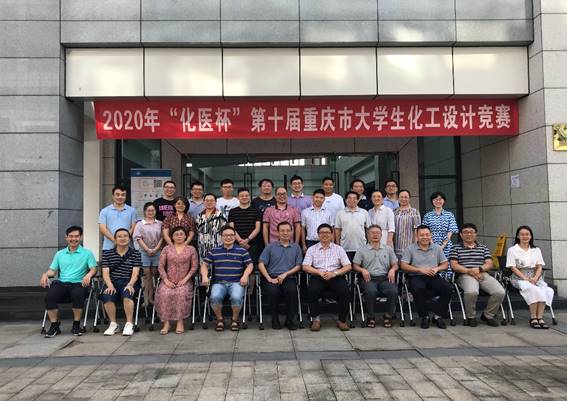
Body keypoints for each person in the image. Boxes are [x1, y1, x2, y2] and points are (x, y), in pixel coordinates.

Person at [40, 226, 97, 338]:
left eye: (76, 236)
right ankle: (54, 326)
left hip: (79, 283)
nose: (73, 239)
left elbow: (93, 268)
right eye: (70, 236)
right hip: (62, 283)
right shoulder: (59, 254)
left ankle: (76, 325)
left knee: (78, 294)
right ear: (66, 237)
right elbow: (52, 271)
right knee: (50, 296)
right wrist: (45, 274)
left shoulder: (87, 253)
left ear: (81, 237)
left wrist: (89, 275)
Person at [450, 223, 505, 327]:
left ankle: (488, 315)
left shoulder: (483, 247)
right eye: (465, 232)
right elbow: (454, 265)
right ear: (461, 234)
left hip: (482, 273)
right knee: (472, 292)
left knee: (499, 292)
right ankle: (471, 316)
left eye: (471, 232)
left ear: (476, 234)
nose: (469, 234)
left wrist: (479, 269)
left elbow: (489, 263)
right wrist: (469, 271)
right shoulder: (455, 248)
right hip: (464, 275)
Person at [201, 225, 254, 331]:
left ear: (234, 237)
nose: (228, 237)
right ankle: (220, 319)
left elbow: (250, 265)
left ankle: (235, 319)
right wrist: (204, 276)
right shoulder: (214, 251)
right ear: (221, 237)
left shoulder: (242, 251)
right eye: (225, 235)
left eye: (231, 235)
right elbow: (204, 265)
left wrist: (245, 276)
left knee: (236, 297)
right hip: (219, 282)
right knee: (215, 297)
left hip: (236, 282)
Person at [400, 225, 453, 329]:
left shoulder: (437, 248)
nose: (425, 237)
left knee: (448, 288)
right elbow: (403, 265)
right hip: (416, 276)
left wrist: (437, 269)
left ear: (431, 235)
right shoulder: (410, 248)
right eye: (422, 235)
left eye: (427, 234)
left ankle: (438, 316)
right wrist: (420, 269)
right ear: (417, 236)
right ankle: (425, 316)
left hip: (433, 276)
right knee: (418, 288)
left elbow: (445, 264)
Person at [303, 224, 352, 331]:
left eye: (327, 232)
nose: (324, 235)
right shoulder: (312, 249)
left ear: (331, 234)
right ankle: (316, 320)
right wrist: (319, 272)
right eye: (322, 232)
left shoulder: (338, 249)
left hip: (335, 276)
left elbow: (348, 266)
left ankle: (342, 320)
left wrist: (335, 273)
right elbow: (305, 266)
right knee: (312, 290)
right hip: (318, 276)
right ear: (318, 235)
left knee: (345, 291)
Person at [506, 225, 554, 329]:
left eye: (527, 234)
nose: (525, 236)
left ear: (531, 236)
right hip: (519, 277)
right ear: (518, 236)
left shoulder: (536, 250)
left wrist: (535, 277)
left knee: (546, 290)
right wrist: (526, 279)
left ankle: (540, 317)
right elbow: (513, 267)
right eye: (522, 234)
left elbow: (539, 266)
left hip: (535, 277)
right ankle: (533, 318)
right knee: (533, 289)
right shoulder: (512, 250)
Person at [258, 222, 303, 330]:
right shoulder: (270, 247)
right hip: (272, 277)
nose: (285, 233)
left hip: (289, 277)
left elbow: (298, 266)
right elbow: (261, 264)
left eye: (288, 230)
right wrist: (269, 278)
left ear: (291, 232)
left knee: (292, 291)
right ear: (277, 232)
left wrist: (286, 274)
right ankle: (275, 319)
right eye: (282, 231)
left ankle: (289, 320)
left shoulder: (296, 247)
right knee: (273, 292)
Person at [154, 226, 199, 334]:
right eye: (176, 234)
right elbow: (160, 266)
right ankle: (166, 323)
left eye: (181, 234)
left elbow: (194, 267)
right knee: (164, 293)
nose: (179, 236)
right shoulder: (166, 249)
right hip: (168, 280)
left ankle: (180, 322)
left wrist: (185, 279)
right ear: (172, 237)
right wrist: (166, 280)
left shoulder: (191, 249)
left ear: (186, 236)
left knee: (181, 293)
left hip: (184, 280)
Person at [352, 225, 399, 328]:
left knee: (393, 291)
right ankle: (371, 316)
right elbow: (355, 265)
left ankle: (388, 315)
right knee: (371, 292)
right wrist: (362, 270)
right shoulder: (362, 250)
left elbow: (395, 264)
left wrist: (392, 269)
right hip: (369, 278)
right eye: (372, 233)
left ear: (381, 235)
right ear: (368, 235)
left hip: (385, 278)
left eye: (377, 233)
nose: (375, 235)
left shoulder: (388, 249)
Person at [100, 229, 142, 336]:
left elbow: (135, 273)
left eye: (125, 236)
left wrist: (130, 284)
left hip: (129, 281)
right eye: (119, 236)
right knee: (107, 295)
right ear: (115, 239)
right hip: (112, 282)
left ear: (129, 239)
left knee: (127, 295)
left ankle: (129, 323)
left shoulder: (135, 253)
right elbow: (105, 273)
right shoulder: (107, 254)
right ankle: (113, 324)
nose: (122, 238)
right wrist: (110, 285)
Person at [422, 191, 459, 278]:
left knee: (446, 263)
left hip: (446, 244)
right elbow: (425, 231)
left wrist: (443, 245)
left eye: (440, 199)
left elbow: (451, 230)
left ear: (444, 201)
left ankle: (447, 281)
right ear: (432, 201)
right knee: (432, 263)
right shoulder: (427, 215)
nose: (438, 201)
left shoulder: (449, 215)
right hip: (430, 243)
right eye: (435, 199)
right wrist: (433, 244)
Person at [133, 202, 163, 307]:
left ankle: (152, 297)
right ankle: (146, 299)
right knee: (146, 275)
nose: (151, 212)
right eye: (148, 210)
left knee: (154, 274)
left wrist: (156, 249)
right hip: (144, 252)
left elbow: (162, 237)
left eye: (153, 210)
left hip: (157, 251)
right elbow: (138, 238)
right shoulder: (140, 224)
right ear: (145, 212)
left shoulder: (160, 223)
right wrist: (147, 249)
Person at [334, 191, 371, 261]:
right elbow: (337, 229)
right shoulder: (340, 213)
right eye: (349, 198)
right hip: (345, 247)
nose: (352, 200)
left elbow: (368, 229)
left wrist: (369, 243)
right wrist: (338, 245)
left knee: (360, 266)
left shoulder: (364, 212)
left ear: (358, 200)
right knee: (346, 266)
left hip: (361, 246)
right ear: (345, 200)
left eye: (354, 198)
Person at [98, 186, 137, 251]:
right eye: (117, 194)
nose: (120, 197)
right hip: (109, 247)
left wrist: (124, 240)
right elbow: (102, 228)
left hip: (127, 247)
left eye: (123, 195)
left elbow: (133, 227)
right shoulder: (105, 211)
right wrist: (115, 240)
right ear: (113, 196)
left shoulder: (132, 211)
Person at [228, 188, 262, 263]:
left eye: (246, 195)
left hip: (252, 244)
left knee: (252, 264)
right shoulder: (232, 211)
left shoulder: (256, 211)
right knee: (237, 265)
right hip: (237, 244)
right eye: (242, 196)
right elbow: (232, 228)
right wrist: (240, 241)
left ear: (249, 197)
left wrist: (247, 240)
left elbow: (257, 228)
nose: (244, 197)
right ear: (238, 197)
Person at [195, 193, 227, 262]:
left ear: (215, 202)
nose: (209, 202)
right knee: (203, 265)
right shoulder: (199, 216)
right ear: (203, 202)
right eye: (207, 200)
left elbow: (225, 231)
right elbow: (198, 230)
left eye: (211, 200)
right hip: (203, 246)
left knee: (217, 264)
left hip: (217, 245)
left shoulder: (221, 215)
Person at [393, 189, 421, 260]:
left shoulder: (414, 212)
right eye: (401, 197)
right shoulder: (394, 212)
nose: (403, 199)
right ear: (398, 198)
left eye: (406, 197)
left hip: (409, 248)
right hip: (395, 248)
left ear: (409, 198)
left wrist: (415, 247)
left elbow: (417, 230)